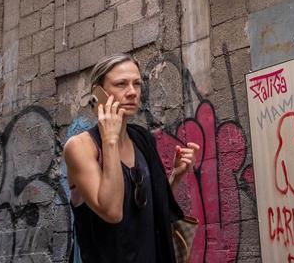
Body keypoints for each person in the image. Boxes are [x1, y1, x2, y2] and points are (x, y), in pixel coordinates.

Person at [64, 54, 200, 263]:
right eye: (121, 84)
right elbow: (113, 211)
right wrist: (110, 140)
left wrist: (175, 177)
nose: (132, 92)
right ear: (98, 93)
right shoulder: (80, 147)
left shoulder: (141, 140)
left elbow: (150, 207)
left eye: (137, 84)